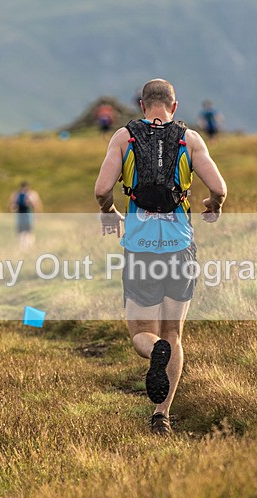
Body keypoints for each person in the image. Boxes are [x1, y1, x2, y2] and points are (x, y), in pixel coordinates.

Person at [94, 79, 227, 436]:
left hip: (140, 249)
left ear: (141, 105)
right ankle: (161, 416)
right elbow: (219, 187)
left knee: (142, 333)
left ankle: (154, 353)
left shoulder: (123, 138)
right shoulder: (190, 138)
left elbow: (102, 188)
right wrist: (214, 206)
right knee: (174, 334)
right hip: (180, 247)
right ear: (174, 106)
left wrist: (109, 211)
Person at [8, 182, 43, 249]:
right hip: (20, 214)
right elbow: (12, 205)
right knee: (21, 231)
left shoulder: (31, 194)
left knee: (28, 231)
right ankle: (22, 246)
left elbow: (36, 205)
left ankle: (30, 246)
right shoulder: (17, 194)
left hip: (28, 214)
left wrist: (38, 214)